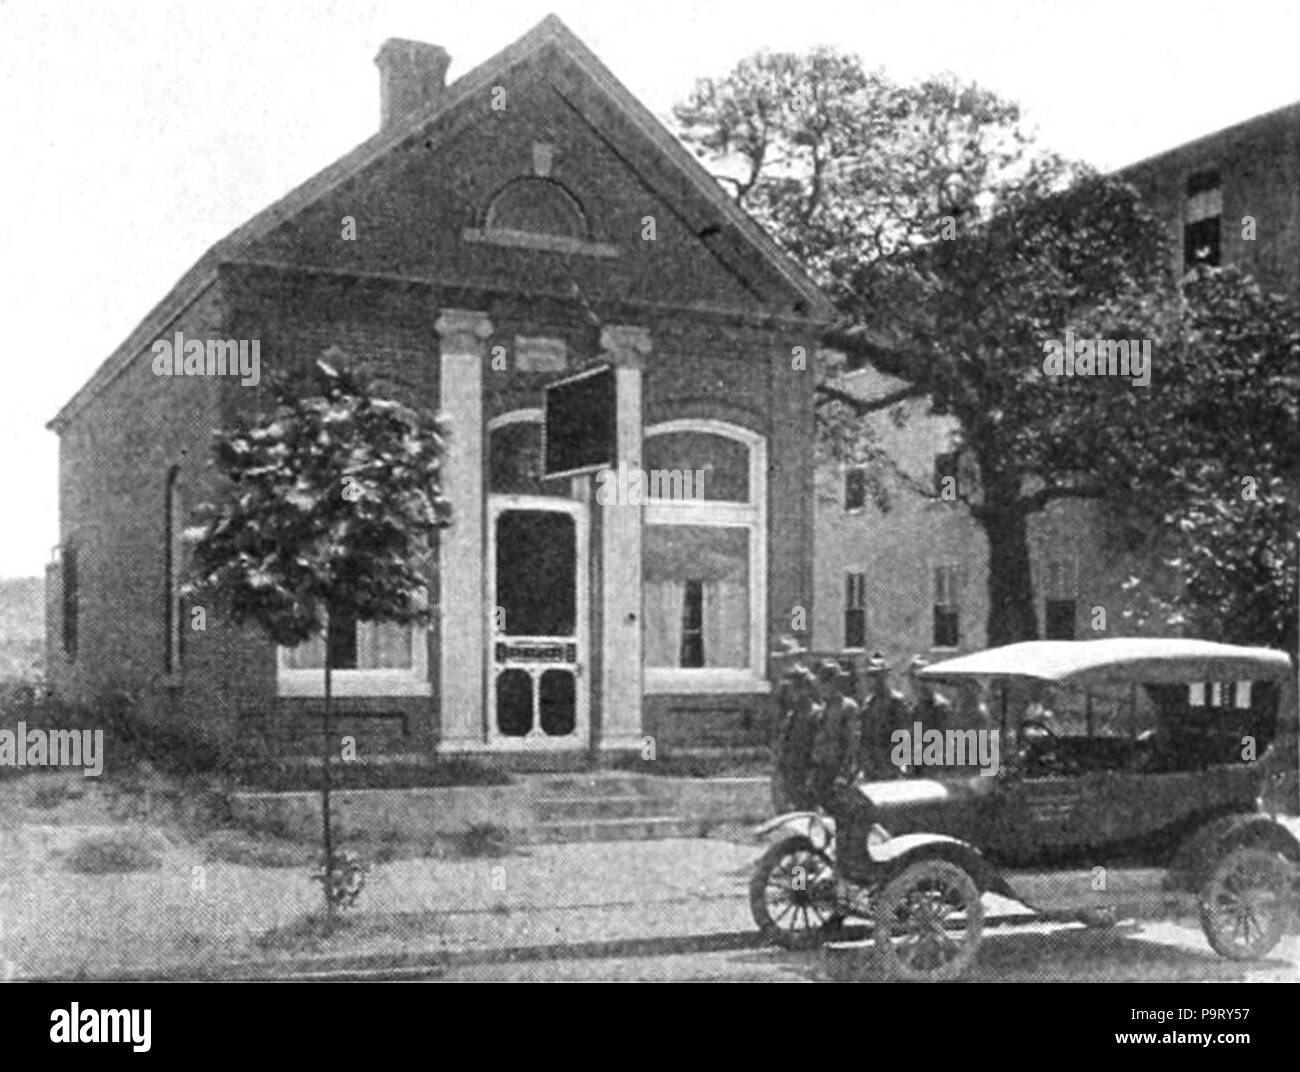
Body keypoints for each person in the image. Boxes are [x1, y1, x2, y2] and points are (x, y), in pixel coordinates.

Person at [811, 658, 861, 808]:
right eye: (821, 681)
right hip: (822, 768)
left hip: (838, 769)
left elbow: (853, 743)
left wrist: (845, 773)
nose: (822, 686)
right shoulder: (822, 709)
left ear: (836, 683)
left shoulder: (848, 707)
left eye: (826, 681)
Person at [772, 665, 821, 811]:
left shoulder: (817, 715)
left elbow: (819, 752)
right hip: (790, 778)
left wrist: (811, 780)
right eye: (791, 689)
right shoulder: (791, 717)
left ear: (806, 689)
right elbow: (783, 749)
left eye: (797, 688)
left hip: (807, 778)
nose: (793, 694)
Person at [857, 652, 910, 779]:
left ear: (885, 676)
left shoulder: (896, 701)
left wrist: (902, 764)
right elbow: (864, 737)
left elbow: (905, 733)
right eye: (871, 675)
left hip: (890, 764)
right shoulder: (869, 703)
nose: (873, 680)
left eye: (877, 675)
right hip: (871, 765)